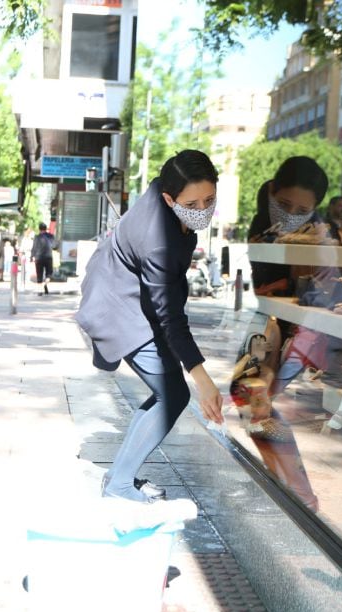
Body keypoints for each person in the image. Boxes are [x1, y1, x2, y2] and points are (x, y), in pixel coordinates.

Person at [76, 149, 224, 503]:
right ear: (169, 198)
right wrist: (202, 378)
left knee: (169, 394)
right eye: (192, 203)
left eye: (209, 200)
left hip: (129, 298)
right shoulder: (159, 239)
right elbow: (169, 316)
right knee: (174, 394)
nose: (202, 209)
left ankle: (120, 476)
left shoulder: (168, 193)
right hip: (118, 309)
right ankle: (120, 482)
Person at [248, 156, 337, 296]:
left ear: (314, 208)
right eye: (283, 204)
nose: (290, 215)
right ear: (272, 191)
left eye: (302, 211)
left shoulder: (320, 238)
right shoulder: (261, 224)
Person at [30, 222, 55, 295]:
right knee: (49, 273)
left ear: (39, 229)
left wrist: (32, 256)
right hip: (48, 257)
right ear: (46, 228)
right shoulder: (51, 236)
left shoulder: (37, 237)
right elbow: (55, 246)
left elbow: (34, 247)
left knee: (39, 274)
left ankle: (40, 291)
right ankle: (45, 284)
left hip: (39, 257)